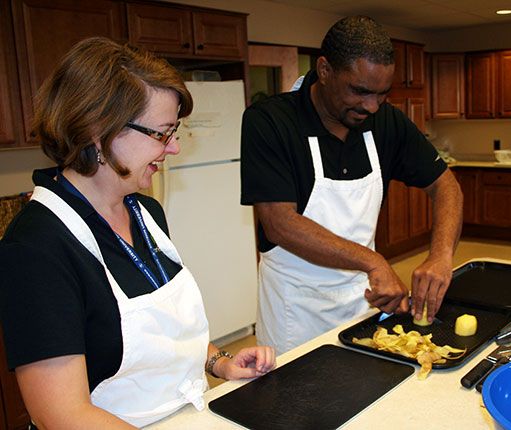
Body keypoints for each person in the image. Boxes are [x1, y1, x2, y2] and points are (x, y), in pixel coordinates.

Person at [0, 37, 275, 429]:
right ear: (99, 129)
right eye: (162, 133)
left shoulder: (146, 212)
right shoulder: (38, 246)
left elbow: (160, 331)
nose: (175, 147)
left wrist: (217, 360)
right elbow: (59, 415)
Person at [241, 16, 463, 355]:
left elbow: (446, 186)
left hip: (364, 304)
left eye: (381, 94)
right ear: (325, 70)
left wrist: (441, 255)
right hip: (296, 313)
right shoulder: (270, 122)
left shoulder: (386, 121)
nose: (371, 106)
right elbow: (280, 223)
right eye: (359, 91)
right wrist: (374, 262)